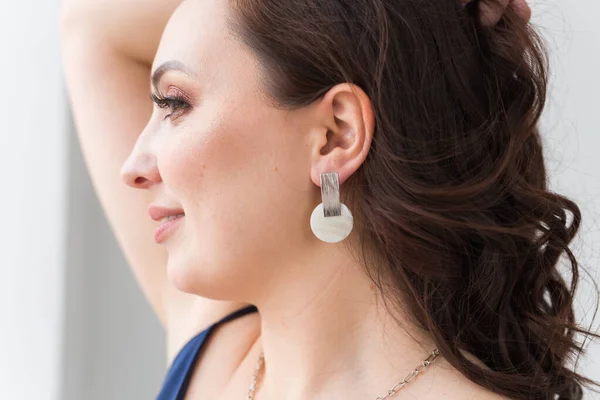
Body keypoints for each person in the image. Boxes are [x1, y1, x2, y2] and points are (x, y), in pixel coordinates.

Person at [60, 0, 598, 398]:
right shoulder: (211, 356)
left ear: (336, 135)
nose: (133, 166)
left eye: (175, 102)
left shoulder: (209, 354)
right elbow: (89, 21)